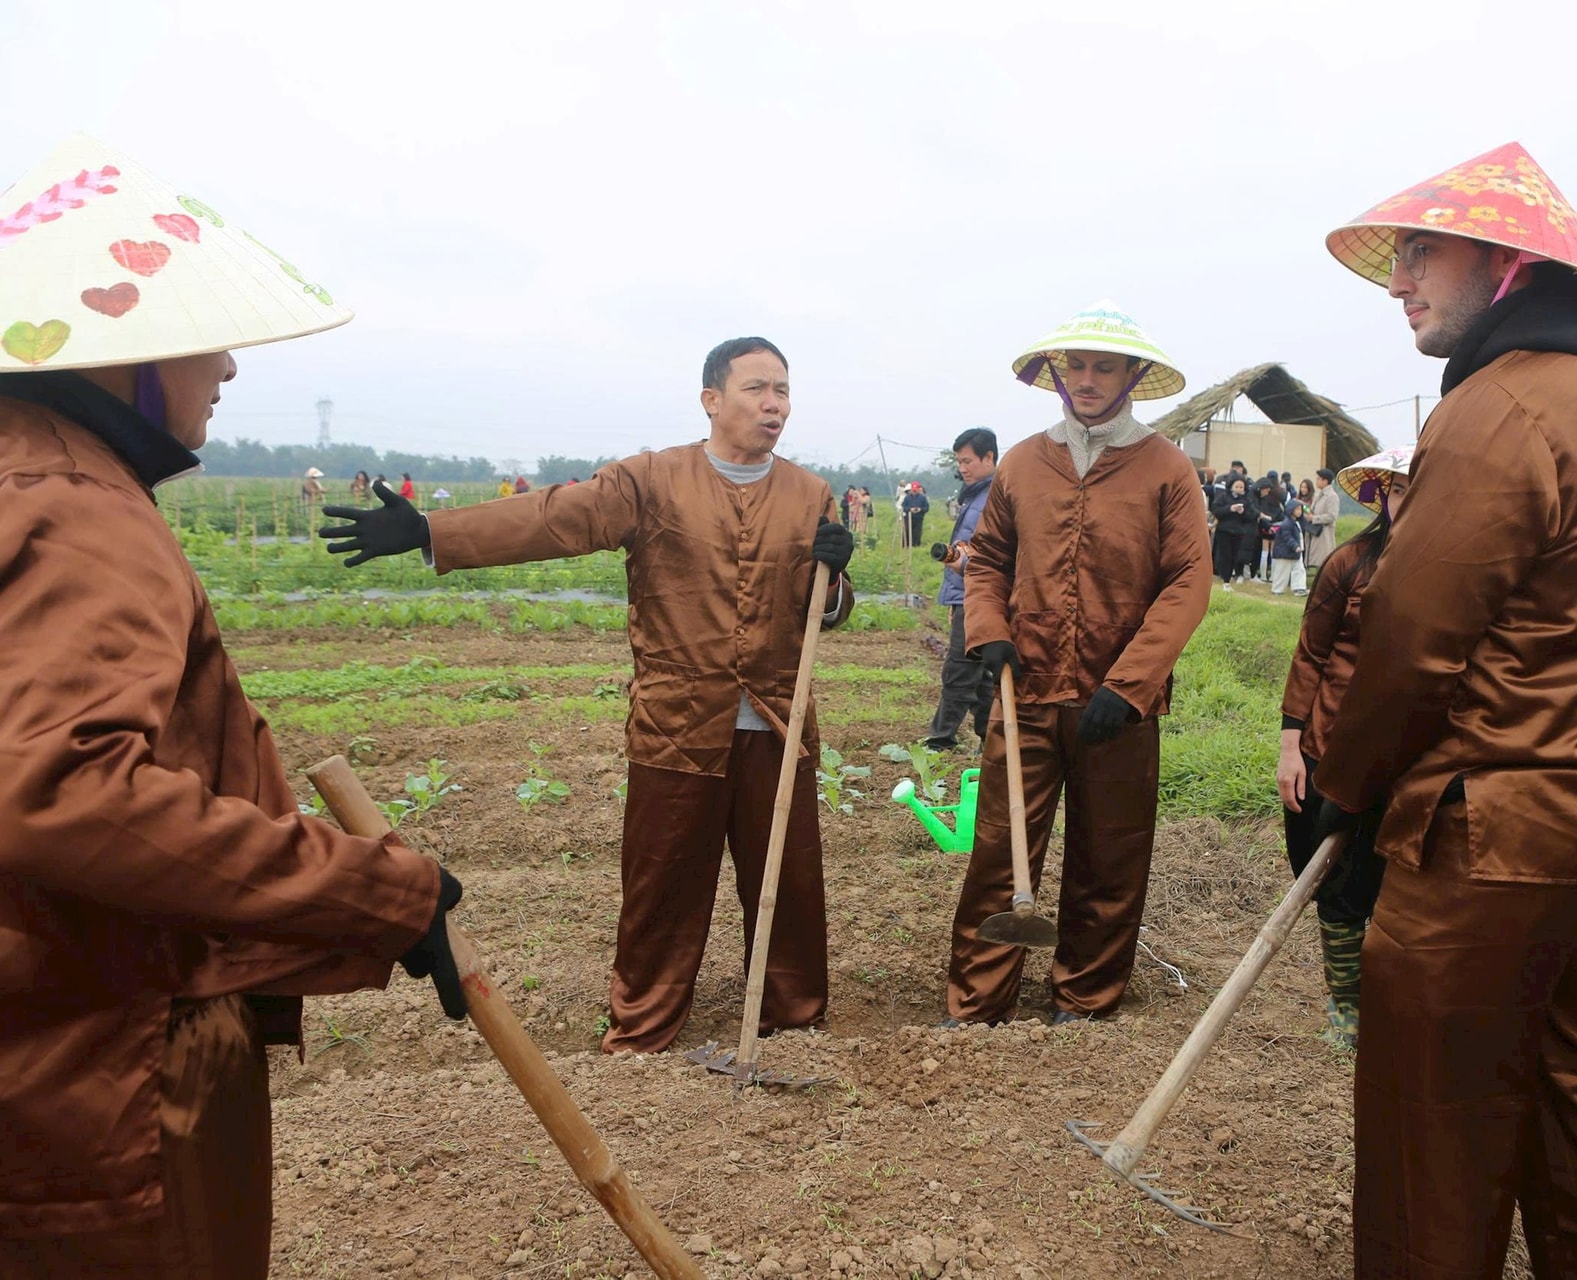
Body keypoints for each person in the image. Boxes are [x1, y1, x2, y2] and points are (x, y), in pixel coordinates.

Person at [0, 133, 457, 1280]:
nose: (230, 374)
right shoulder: (77, 504)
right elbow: (63, 786)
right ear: (124, 360)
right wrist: (372, 887)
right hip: (97, 1057)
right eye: (208, 344)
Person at [1311, 141, 1577, 1278]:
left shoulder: (1497, 408)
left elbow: (1409, 645)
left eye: (1418, 254)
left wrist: (1345, 797)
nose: (1398, 281)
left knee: (1435, 1123)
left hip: (1491, 836)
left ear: (1503, 259)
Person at [321, 337, 855, 1054]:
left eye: (783, 391)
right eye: (758, 388)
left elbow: (826, 607)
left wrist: (837, 579)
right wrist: (429, 529)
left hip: (776, 723)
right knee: (662, 885)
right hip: (677, 722)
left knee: (789, 883)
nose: (774, 404)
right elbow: (551, 517)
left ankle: (795, 1018)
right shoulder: (650, 480)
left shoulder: (809, 493)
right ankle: (644, 1026)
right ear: (711, 399)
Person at [945, 300, 1209, 1027]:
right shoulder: (1027, 462)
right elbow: (990, 558)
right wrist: (989, 629)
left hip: (1117, 705)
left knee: (1110, 855)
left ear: (1132, 376)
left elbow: (1188, 581)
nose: (1087, 380)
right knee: (1000, 849)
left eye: (1104, 367)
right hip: (1023, 690)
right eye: (1077, 367)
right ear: (1058, 376)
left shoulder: (1166, 469)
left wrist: (1130, 684)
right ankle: (977, 1002)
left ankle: (1085, 1000)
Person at [1275, 447, 1412, 1048]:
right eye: (1401, 490)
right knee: (1331, 880)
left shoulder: (1460, 572)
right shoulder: (1348, 565)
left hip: (1409, 758)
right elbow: (1311, 654)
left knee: (1396, 882)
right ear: (1380, 496)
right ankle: (1346, 1005)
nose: (1413, 501)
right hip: (1327, 745)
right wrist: (1290, 748)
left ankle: (1393, 1004)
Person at [926, 427, 999, 751]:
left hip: (977, 594)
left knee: (960, 667)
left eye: (968, 461)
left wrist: (965, 565)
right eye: (959, 461)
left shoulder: (991, 500)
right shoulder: (976, 495)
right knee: (980, 673)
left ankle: (940, 740)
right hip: (969, 593)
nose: (963, 468)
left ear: (989, 457)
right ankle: (990, 736)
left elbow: (997, 557)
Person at [1210, 476, 1259, 586]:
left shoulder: (1246, 500)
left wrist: (1243, 512)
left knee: (1234, 555)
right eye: (1237, 486)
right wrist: (1230, 509)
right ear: (1231, 486)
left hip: (1238, 531)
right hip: (1224, 530)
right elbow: (1216, 510)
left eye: (1242, 487)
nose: (1239, 489)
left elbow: (1251, 516)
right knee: (1225, 555)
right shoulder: (1223, 497)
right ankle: (1225, 579)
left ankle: (1228, 577)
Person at [1304, 465, 1341, 574]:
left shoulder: (1332, 496)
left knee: (1323, 561)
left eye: (1318, 479)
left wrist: (1314, 518)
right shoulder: (1318, 495)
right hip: (1315, 532)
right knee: (1316, 561)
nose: (1316, 481)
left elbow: (1332, 516)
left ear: (1325, 481)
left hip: (1324, 533)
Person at [1269, 496, 1308, 596]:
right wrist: (1295, 546)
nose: (1300, 511)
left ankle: (1299, 588)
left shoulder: (1296, 523)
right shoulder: (1286, 524)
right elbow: (1287, 537)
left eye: (1300, 509)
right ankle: (1277, 589)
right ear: (1291, 510)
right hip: (1285, 552)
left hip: (1295, 552)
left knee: (1299, 569)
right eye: (1297, 509)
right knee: (1282, 571)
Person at [901, 480, 930, 547]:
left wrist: (920, 509)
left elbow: (926, 508)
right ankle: (906, 546)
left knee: (916, 534)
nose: (914, 491)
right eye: (913, 490)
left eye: (915, 490)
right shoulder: (907, 498)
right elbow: (904, 507)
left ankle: (915, 547)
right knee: (907, 532)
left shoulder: (922, 498)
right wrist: (910, 509)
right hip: (908, 518)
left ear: (918, 489)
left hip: (918, 519)